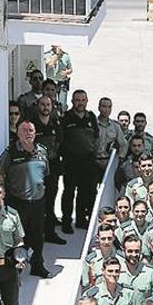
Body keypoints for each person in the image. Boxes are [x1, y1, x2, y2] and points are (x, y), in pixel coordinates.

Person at [0, 120, 50, 278]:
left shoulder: (42, 151)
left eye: (31, 130)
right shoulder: (10, 152)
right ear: (18, 133)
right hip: (17, 203)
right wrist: (1, 195)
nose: (28, 133)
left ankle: (37, 265)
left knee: (37, 237)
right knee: (16, 237)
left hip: (38, 203)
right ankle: (14, 269)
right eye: (24, 130)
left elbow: (44, 173)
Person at [60, 89, 100, 233]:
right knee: (69, 192)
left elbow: (96, 137)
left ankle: (81, 220)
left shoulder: (91, 117)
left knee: (85, 192)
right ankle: (66, 222)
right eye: (77, 100)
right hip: (71, 161)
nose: (80, 103)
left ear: (87, 101)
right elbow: (60, 139)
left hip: (88, 161)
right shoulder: (66, 117)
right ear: (72, 101)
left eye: (83, 100)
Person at [29, 95, 67, 245]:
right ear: (38, 106)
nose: (45, 107)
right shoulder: (32, 125)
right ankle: (35, 235)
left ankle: (50, 233)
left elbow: (60, 143)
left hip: (52, 169)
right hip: (36, 170)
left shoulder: (55, 123)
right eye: (43, 104)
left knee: (50, 201)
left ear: (52, 107)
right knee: (36, 203)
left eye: (48, 105)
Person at [44, 45, 72, 109]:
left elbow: (70, 69)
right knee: (49, 102)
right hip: (50, 82)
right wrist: (57, 55)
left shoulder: (66, 56)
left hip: (62, 82)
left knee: (62, 105)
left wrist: (66, 72)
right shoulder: (47, 54)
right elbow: (50, 64)